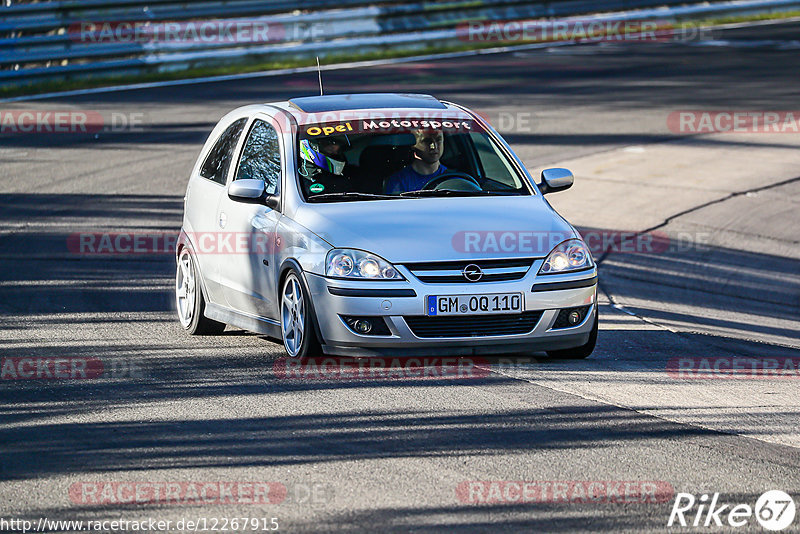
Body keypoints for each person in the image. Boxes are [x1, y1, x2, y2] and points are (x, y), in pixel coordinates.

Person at [385, 129, 447, 194]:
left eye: (438, 140)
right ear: (413, 144)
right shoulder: (398, 181)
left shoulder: (453, 177)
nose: (434, 146)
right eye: (427, 141)